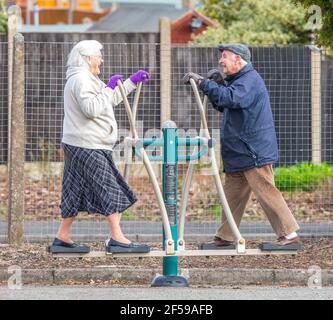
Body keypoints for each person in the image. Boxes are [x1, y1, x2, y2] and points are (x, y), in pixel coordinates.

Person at [183, 43, 301, 247]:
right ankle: (226, 237)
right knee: (232, 197)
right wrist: (217, 86)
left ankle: (289, 234)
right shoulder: (239, 81)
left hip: (252, 150)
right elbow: (224, 103)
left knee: (266, 190)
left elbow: (233, 98)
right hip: (238, 152)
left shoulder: (250, 80)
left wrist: (205, 83)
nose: (221, 61)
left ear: (239, 60)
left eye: (225, 57)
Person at [49, 40, 150, 253]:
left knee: (74, 189)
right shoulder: (81, 80)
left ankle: (62, 237)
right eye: (98, 56)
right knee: (110, 187)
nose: (101, 60)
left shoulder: (86, 79)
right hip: (88, 145)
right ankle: (117, 238)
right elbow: (92, 109)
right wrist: (109, 86)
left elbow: (109, 99)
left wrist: (130, 82)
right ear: (87, 58)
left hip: (83, 143)